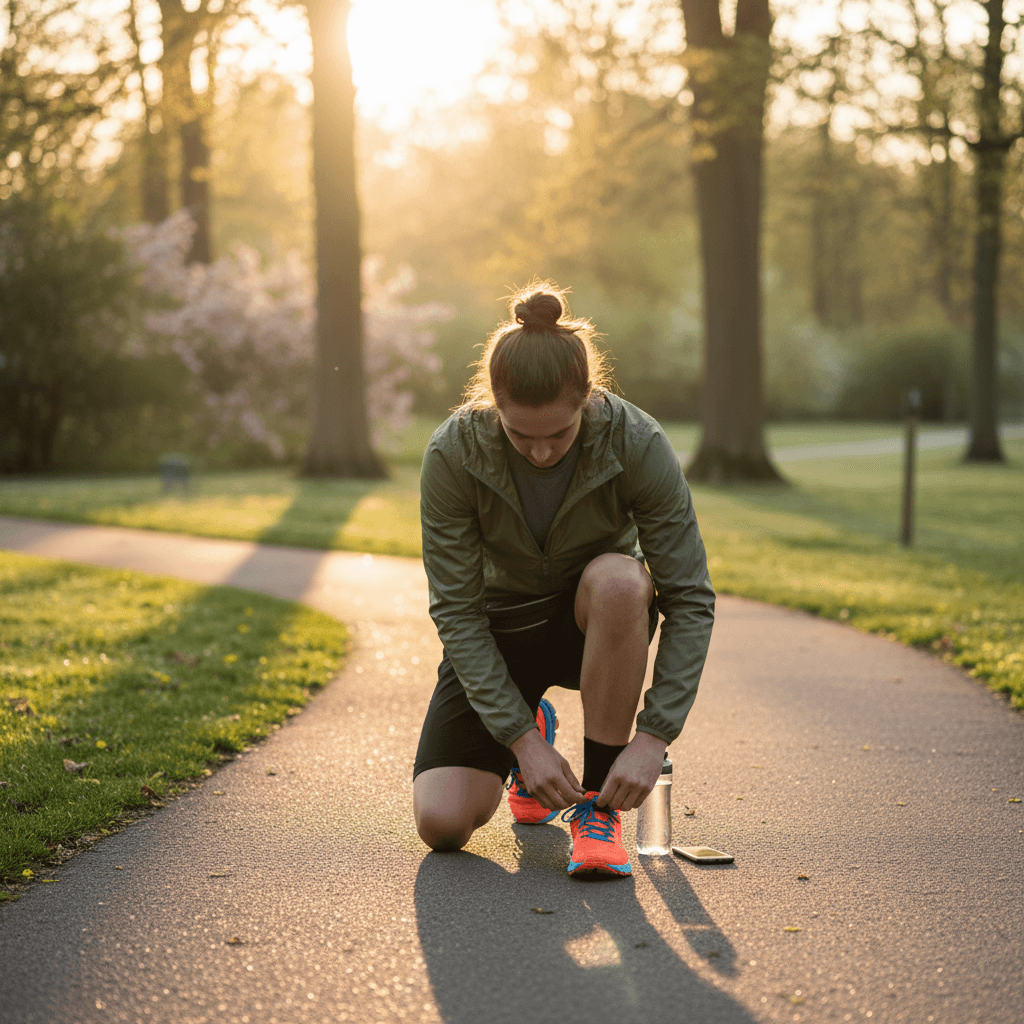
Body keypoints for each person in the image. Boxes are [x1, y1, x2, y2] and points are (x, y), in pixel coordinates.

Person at [413, 284, 715, 876]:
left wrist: (653, 737)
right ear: (493, 402)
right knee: (443, 824)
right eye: (522, 435)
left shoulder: (635, 441)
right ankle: (532, 733)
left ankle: (598, 810)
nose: (543, 452)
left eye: (560, 433)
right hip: (500, 633)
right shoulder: (453, 453)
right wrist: (522, 738)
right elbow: (457, 612)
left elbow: (689, 597)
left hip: (593, 626)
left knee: (623, 580)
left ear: (588, 401)